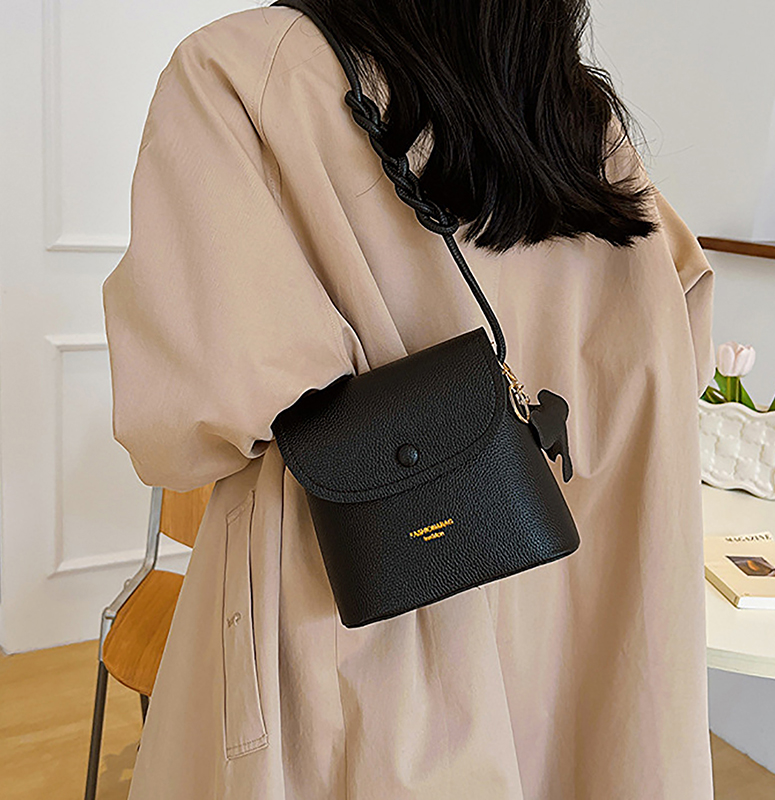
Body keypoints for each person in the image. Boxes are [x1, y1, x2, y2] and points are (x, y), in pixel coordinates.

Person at [102, 1, 716, 797]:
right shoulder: (577, 119)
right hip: (587, 607)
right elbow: (679, 344)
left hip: (371, 636)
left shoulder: (241, 71)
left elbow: (183, 426)